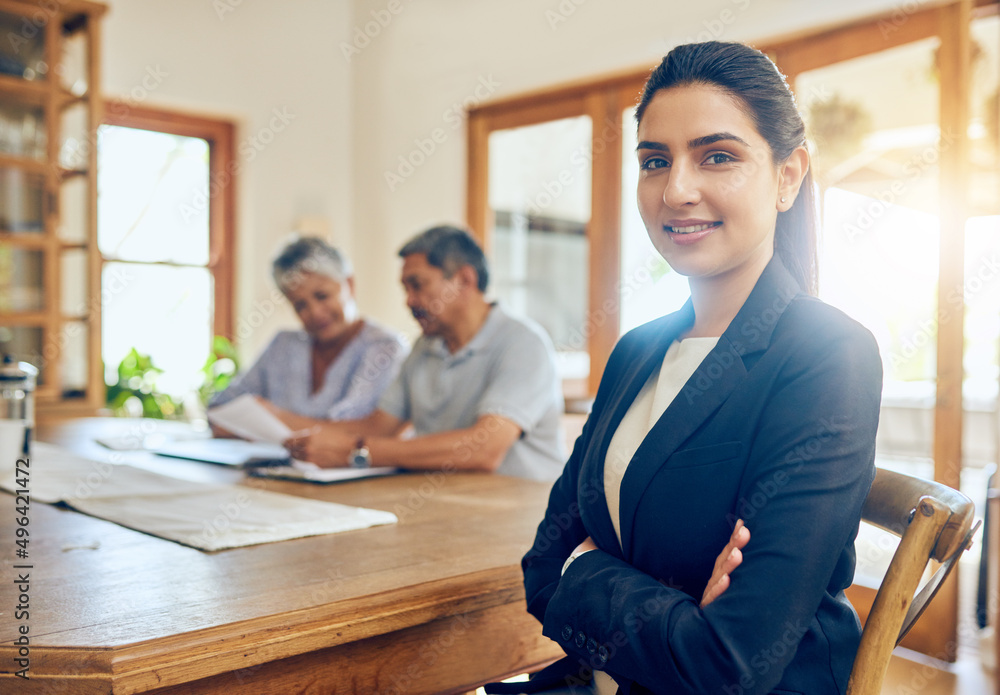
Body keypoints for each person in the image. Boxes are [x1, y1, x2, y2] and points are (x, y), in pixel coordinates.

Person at [494, 42, 883, 694]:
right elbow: (540, 567)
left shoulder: (827, 355)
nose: (676, 189)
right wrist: (667, 610)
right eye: (655, 161)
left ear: (788, 176)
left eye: (718, 156)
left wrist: (586, 569)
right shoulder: (637, 351)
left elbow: (730, 662)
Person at [285, 225, 565, 481]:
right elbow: (380, 426)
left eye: (417, 285)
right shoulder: (425, 347)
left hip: (521, 516)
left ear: (465, 280)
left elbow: (484, 449)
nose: (409, 301)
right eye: (405, 288)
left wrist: (358, 452)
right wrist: (307, 439)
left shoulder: (523, 344)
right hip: (448, 504)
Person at [210, 237, 407, 431]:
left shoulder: (385, 348)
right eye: (300, 305)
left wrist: (274, 418)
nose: (315, 313)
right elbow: (219, 408)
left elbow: (362, 431)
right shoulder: (283, 346)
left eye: (322, 296)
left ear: (349, 284)